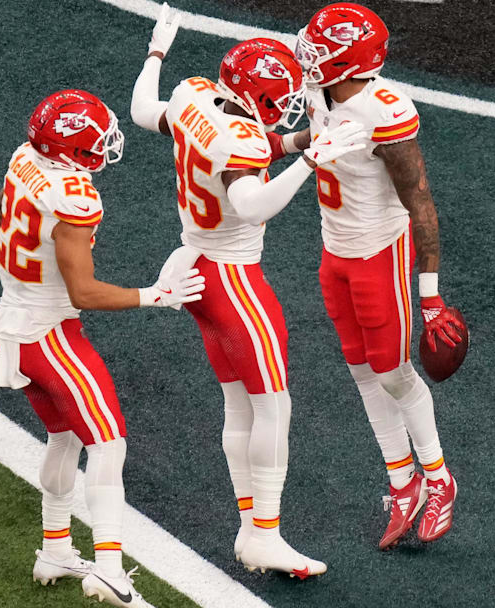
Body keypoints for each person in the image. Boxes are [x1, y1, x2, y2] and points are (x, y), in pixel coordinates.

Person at [128, 3, 366, 578]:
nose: (283, 107)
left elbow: (142, 113)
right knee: (273, 408)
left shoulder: (196, 95)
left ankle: (249, 527)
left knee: (241, 404)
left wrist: (157, 52)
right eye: (279, 97)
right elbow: (250, 200)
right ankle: (264, 534)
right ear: (257, 96)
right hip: (234, 279)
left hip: (194, 264)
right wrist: (311, 158)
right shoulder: (241, 143)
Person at [0, 88, 204, 608]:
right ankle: (107, 569)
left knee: (65, 438)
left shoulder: (23, 158)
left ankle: (55, 548)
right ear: (68, 150)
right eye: (93, 142)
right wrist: (156, 295)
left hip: (12, 323)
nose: (102, 149)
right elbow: (84, 292)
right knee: (108, 444)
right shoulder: (74, 195)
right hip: (49, 333)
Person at [272, 2, 466, 548]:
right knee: (361, 371)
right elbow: (302, 129)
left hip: (379, 252)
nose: (309, 58)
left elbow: (421, 203)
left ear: (354, 62)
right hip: (335, 249)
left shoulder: (386, 111)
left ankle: (439, 479)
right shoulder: (320, 88)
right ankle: (402, 483)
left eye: (322, 51)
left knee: (393, 371)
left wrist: (429, 297)